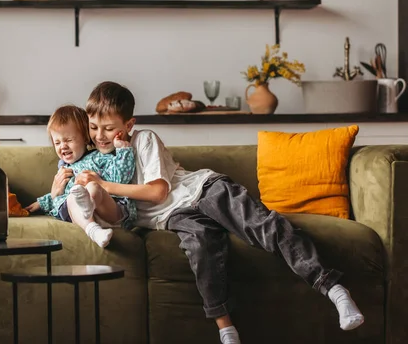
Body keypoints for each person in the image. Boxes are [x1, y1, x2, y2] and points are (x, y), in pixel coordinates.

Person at [71, 81, 364, 344]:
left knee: (261, 226)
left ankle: (334, 288)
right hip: (173, 216)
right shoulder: (94, 159)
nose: (100, 135)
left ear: (129, 123)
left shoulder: (143, 139)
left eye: (109, 128)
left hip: (203, 189)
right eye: (94, 127)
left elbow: (158, 191)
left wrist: (103, 184)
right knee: (202, 249)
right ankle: (227, 330)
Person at [25, 105, 136, 248]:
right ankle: (94, 230)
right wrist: (41, 203)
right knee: (73, 195)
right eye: (57, 142)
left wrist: (123, 150)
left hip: (107, 211)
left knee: (92, 186)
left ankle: (88, 204)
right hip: (79, 213)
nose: (62, 146)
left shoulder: (99, 157)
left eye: (69, 140)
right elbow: (58, 194)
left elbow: (121, 178)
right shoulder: (64, 170)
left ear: (85, 137)